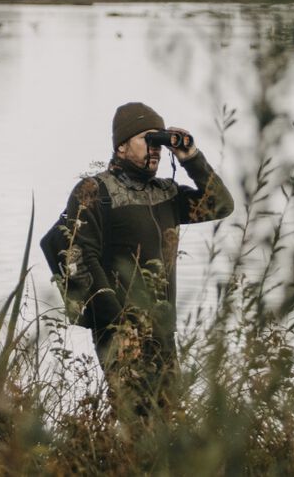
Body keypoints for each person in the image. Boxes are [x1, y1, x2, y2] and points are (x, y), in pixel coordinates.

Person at [58, 101, 234, 416]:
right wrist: (118, 327)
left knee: (167, 422)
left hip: (164, 334)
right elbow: (83, 260)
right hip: (121, 333)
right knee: (136, 421)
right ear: (122, 146)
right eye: (146, 140)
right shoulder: (95, 191)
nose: (155, 149)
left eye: (159, 141)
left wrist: (191, 158)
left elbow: (221, 204)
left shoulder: (167, 194)